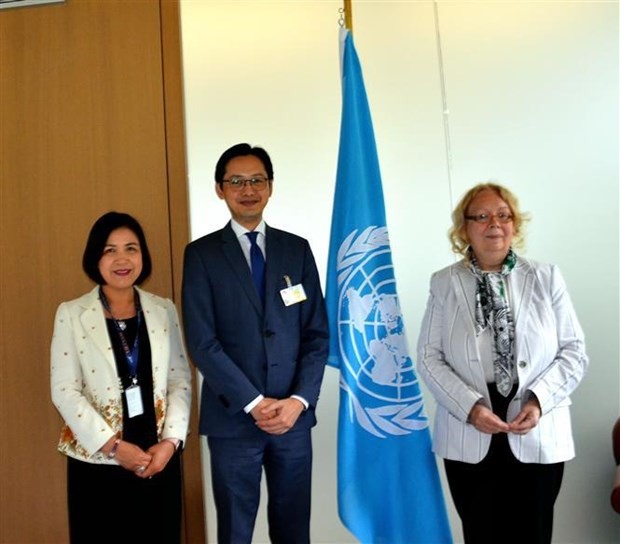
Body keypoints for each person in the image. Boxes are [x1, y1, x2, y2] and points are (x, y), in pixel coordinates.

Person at [416, 183, 588, 544]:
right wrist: (470, 407)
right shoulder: (444, 283)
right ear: (464, 228)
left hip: (535, 422)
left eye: (503, 215)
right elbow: (430, 358)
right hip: (471, 426)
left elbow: (574, 352)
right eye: (481, 216)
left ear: (515, 224)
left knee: (533, 533)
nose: (493, 223)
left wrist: (539, 401)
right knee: (481, 534)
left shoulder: (546, 277)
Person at [182, 143, 329, 544]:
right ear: (220, 189)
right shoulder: (201, 255)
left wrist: (298, 401)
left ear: (270, 186)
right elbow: (202, 341)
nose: (248, 189)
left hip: (292, 420)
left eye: (257, 180)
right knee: (235, 532)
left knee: (294, 529)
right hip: (233, 420)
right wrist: (253, 402)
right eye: (237, 181)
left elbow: (317, 334)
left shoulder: (296, 249)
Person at [50, 212, 192, 544]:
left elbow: (179, 380)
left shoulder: (163, 309)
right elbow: (64, 391)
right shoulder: (72, 314)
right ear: (94, 258)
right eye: (109, 250)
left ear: (143, 255)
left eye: (131, 248)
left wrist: (170, 443)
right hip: (98, 463)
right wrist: (114, 448)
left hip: (158, 459)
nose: (122, 259)